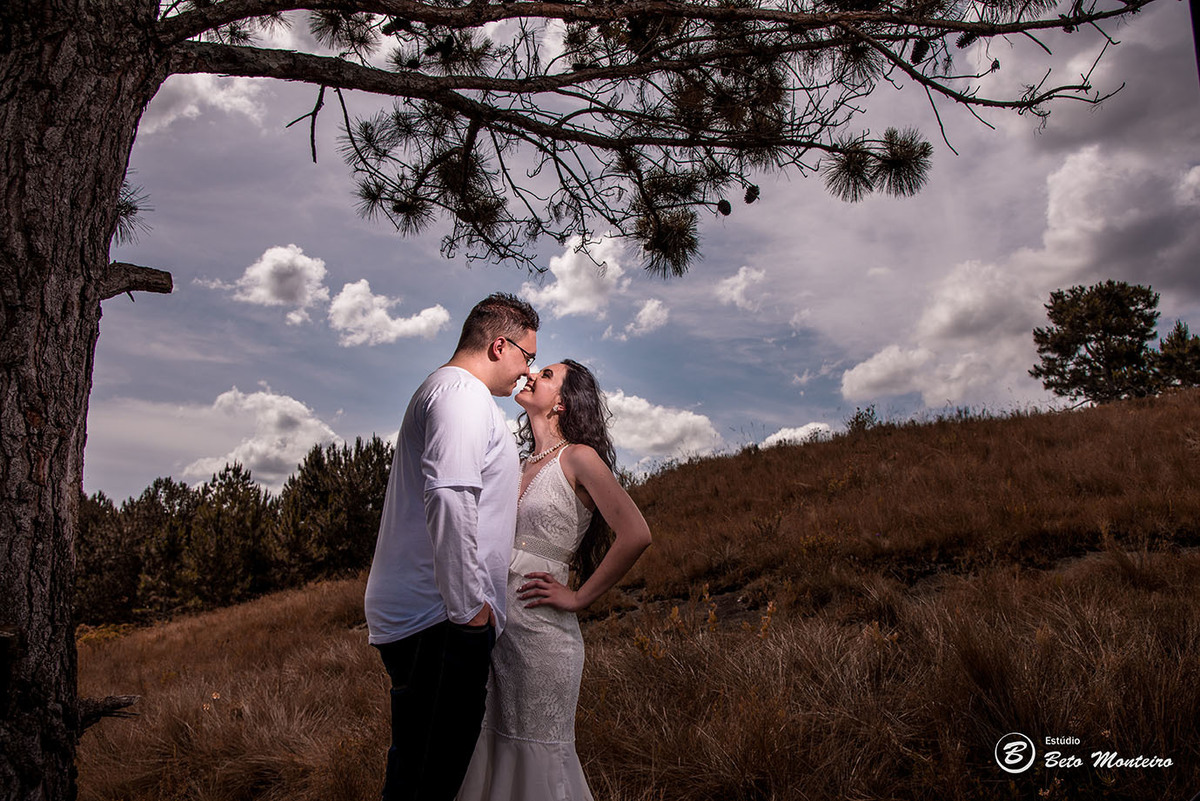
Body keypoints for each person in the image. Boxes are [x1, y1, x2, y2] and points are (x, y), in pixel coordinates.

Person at [364, 293, 540, 801]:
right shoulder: (462, 393)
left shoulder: (447, 391)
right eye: (527, 356)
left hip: (433, 617)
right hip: (440, 620)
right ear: (499, 345)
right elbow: (449, 494)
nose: (527, 371)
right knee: (428, 785)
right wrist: (470, 612)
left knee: (419, 776)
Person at [457, 359, 652, 801]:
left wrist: (580, 597)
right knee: (488, 750)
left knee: (537, 756)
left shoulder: (579, 457)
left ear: (562, 403)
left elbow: (636, 534)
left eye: (545, 374)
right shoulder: (513, 462)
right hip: (495, 631)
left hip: (543, 635)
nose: (530, 374)